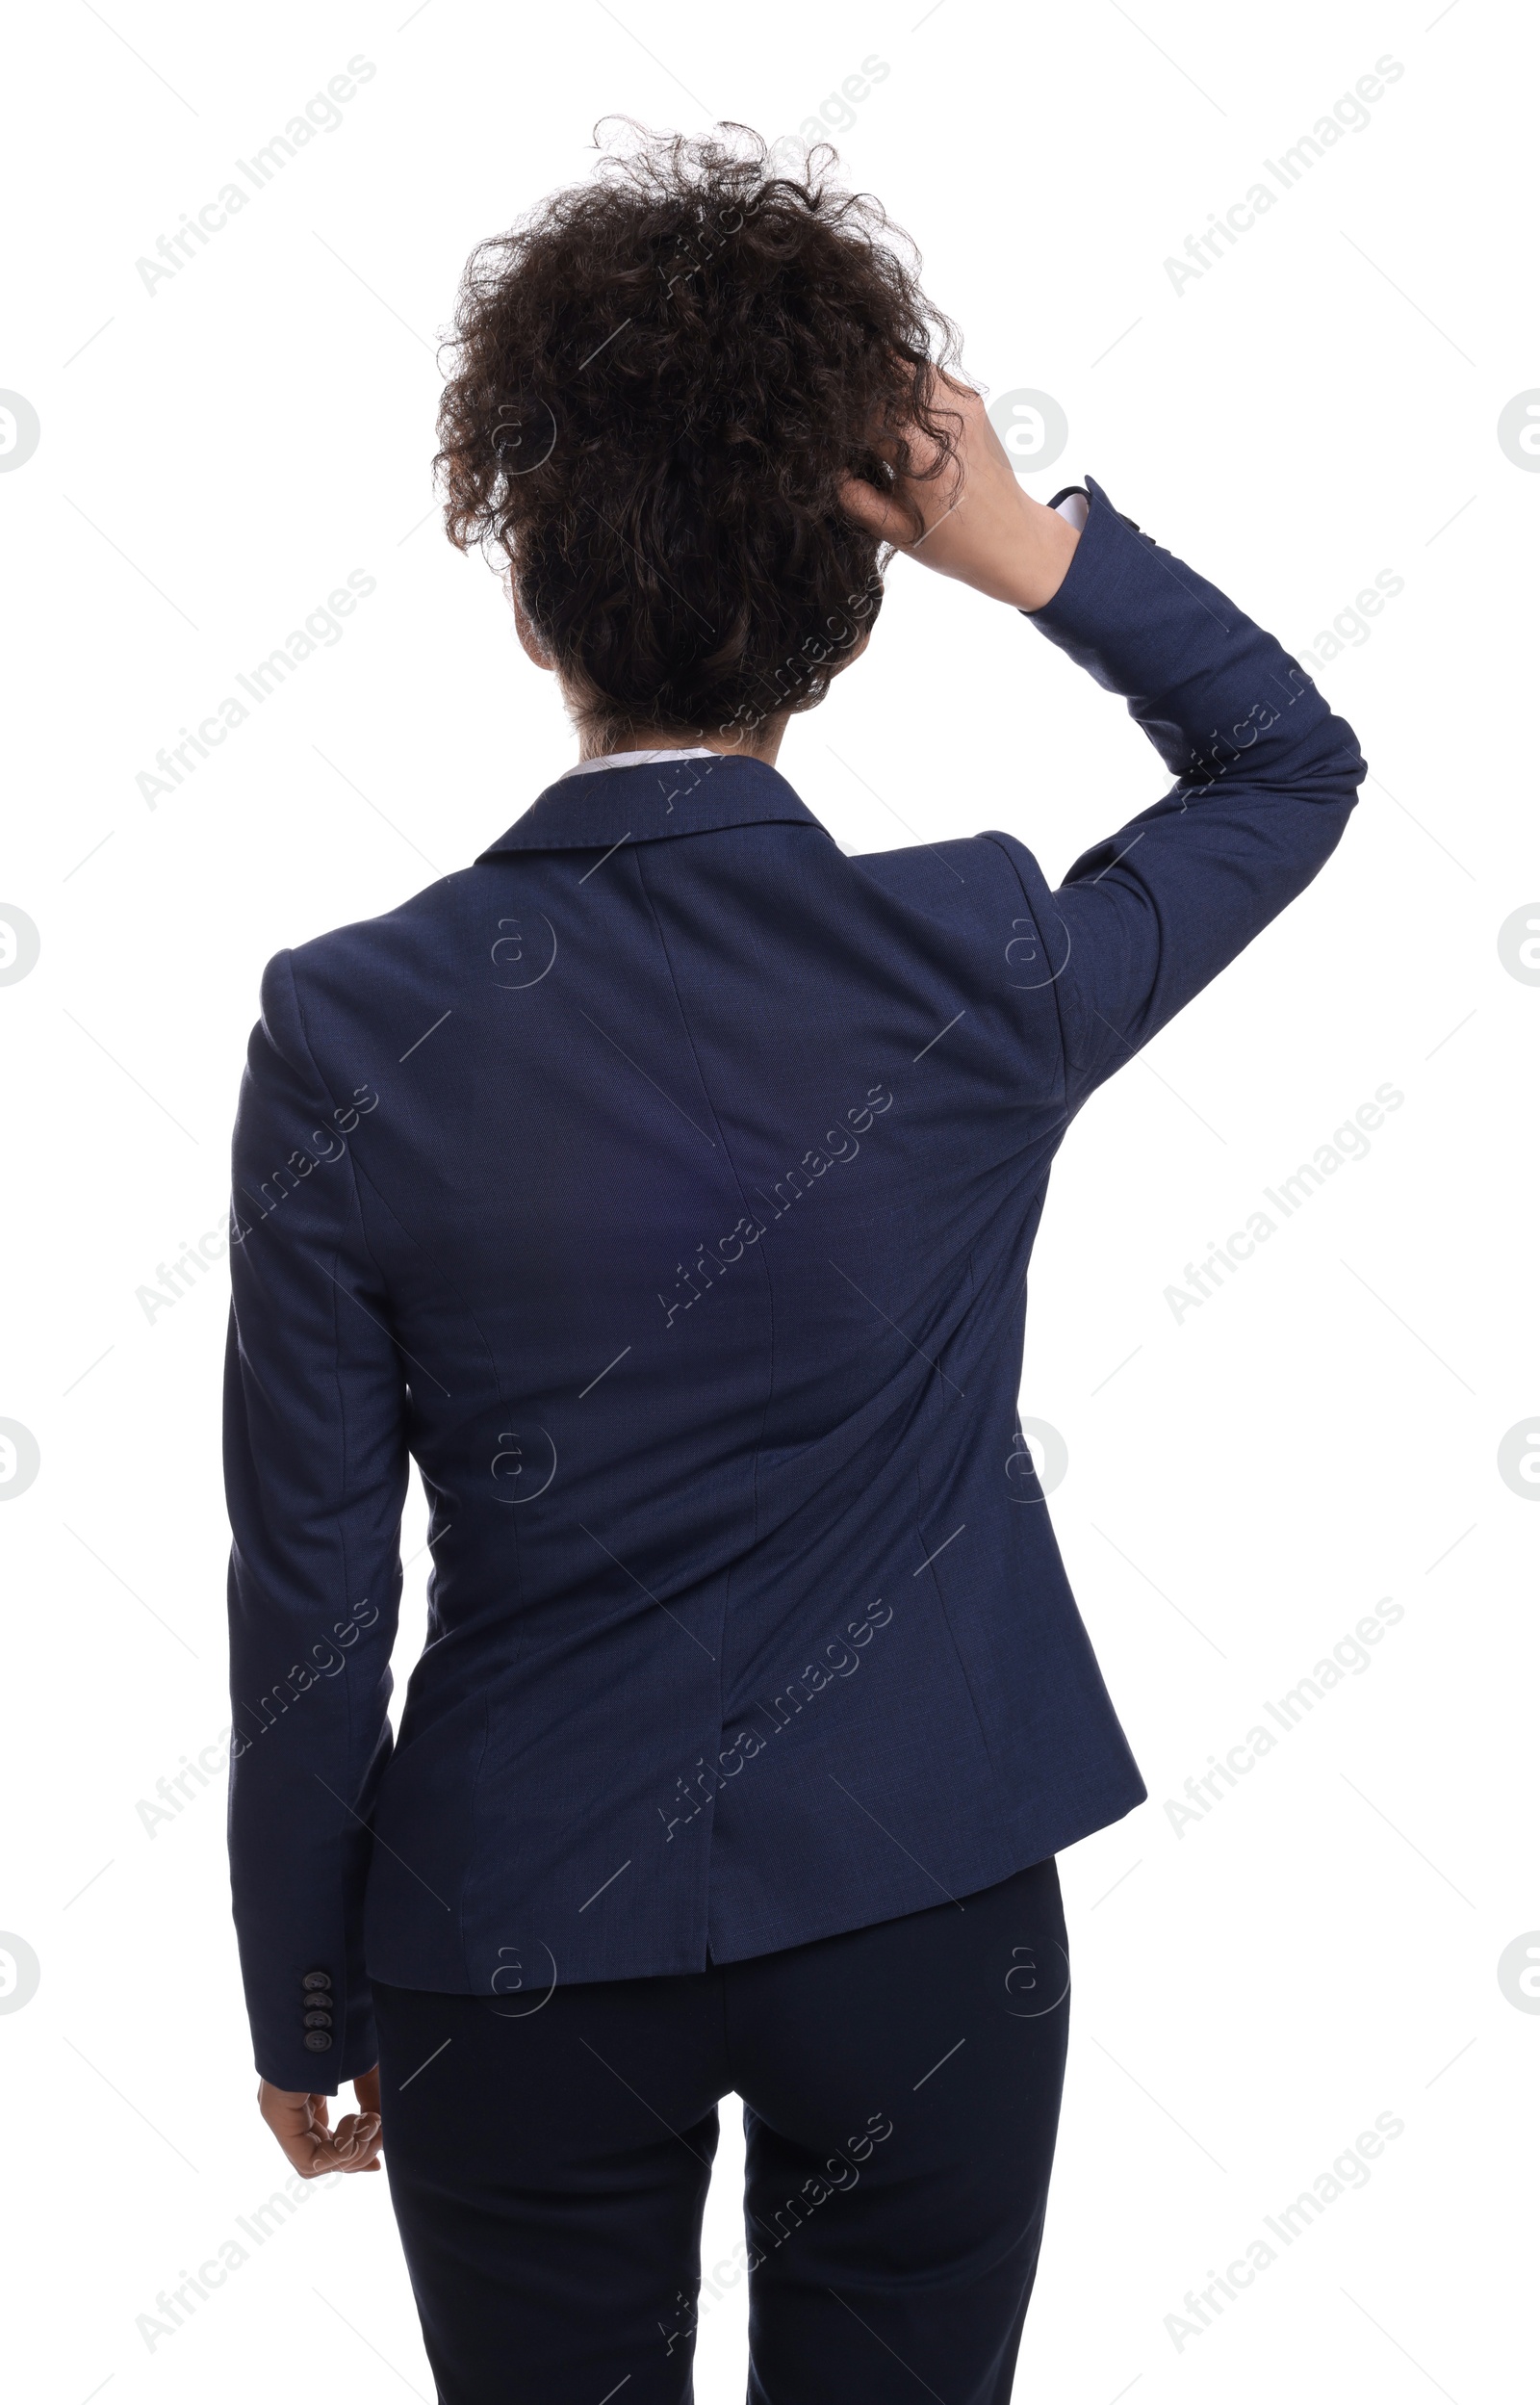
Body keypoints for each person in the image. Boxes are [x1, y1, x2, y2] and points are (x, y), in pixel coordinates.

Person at [223, 124, 1365, 2404]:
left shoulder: (351, 1021)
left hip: (510, 1938)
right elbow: (1280, 764)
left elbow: (310, 1586)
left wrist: (308, 1996)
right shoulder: (970, 954)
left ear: (529, 597)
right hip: (921, 1911)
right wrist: (1028, 552)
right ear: (838, 617)